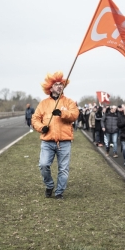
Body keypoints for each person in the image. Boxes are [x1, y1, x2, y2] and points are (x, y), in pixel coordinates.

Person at [31, 71, 79, 199]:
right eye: (56, 84)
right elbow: (35, 119)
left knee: (63, 169)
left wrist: (63, 114)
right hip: (48, 141)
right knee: (43, 165)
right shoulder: (43, 103)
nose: (59, 86)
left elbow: (74, 115)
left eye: (61, 84)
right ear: (50, 87)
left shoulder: (69, 102)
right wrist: (42, 128)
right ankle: (49, 185)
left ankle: (59, 193)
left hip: (64, 141)